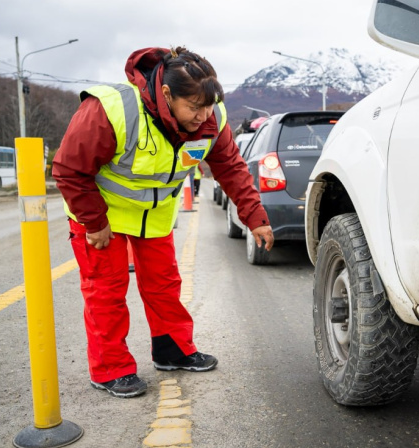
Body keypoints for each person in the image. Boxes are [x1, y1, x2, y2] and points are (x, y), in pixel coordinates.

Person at [52, 46, 274, 399]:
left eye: (208, 106)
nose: (203, 116)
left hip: (152, 218)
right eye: (194, 107)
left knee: (164, 287)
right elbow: (69, 169)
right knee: (106, 292)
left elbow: (230, 168)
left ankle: (172, 351)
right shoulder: (111, 108)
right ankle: (111, 369)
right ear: (167, 94)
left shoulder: (211, 119)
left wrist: (255, 217)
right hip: (101, 215)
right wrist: (93, 222)